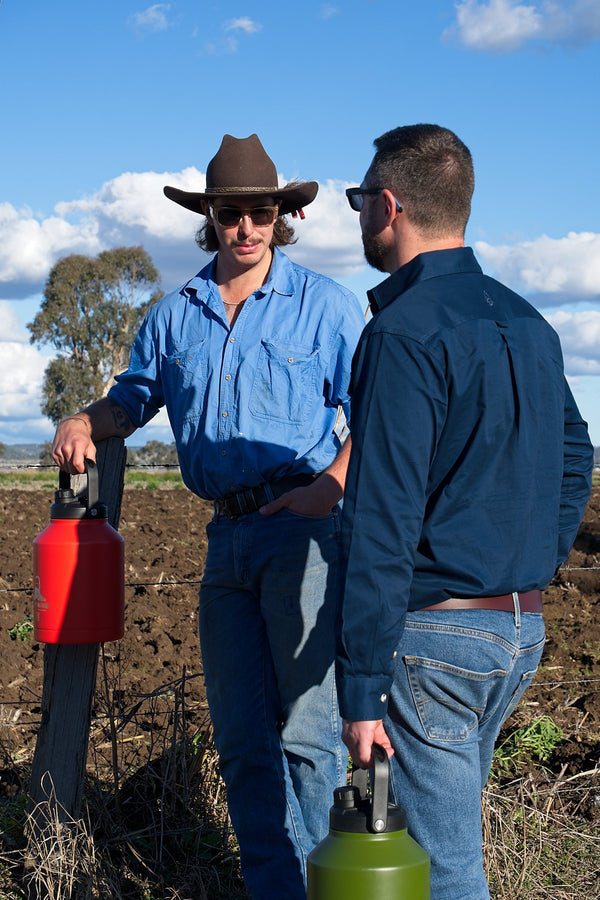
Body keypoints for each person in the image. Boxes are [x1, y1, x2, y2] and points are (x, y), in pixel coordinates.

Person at [52, 133, 365, 900]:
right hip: (224, 541)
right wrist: (86, 419)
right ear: (212, 217)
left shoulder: (327, 307)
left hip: (303, 535)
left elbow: (379, 416)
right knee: (240, 741)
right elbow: (133, 397)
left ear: (282, 216)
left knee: (308, 740)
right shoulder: (174, 315)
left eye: (262, 213)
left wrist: (332, 481)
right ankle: (273, 890)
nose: (247, 229)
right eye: (232, 214)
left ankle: (325, 885)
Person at [336, 124, 594, 899]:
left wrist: (360, 688)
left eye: (358, 200)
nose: (358, 216)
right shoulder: (530, 322)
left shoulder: (404, 333)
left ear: (389, 204)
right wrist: (536, 560)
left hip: (434, 642)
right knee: (443, 850)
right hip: (518, 629)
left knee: (447, 872)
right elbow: (577, 453)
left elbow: (382, 516)